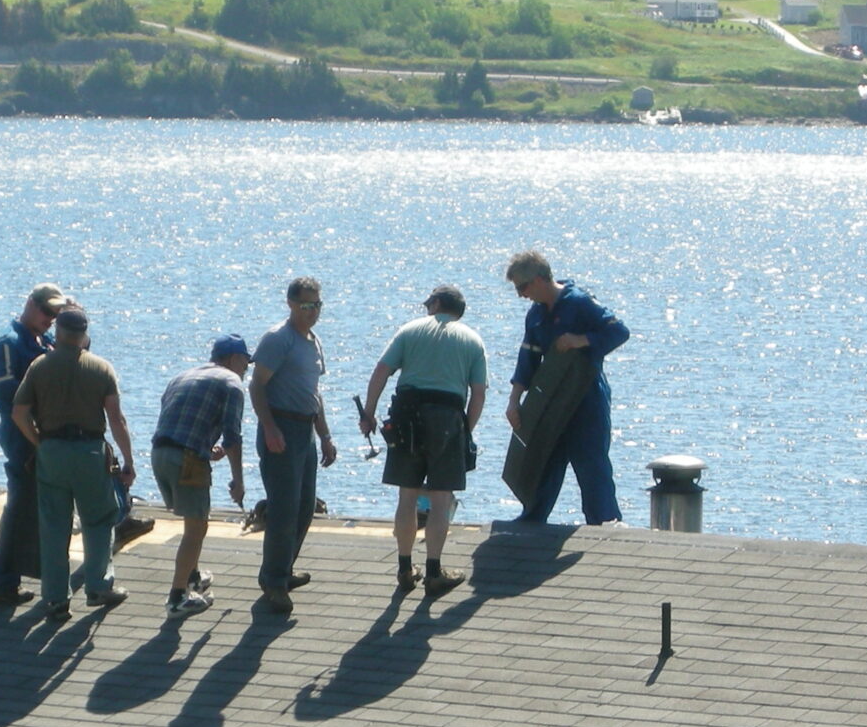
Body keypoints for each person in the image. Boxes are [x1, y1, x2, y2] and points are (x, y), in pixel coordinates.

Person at [10, 305, 136, 622]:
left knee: (54, 527)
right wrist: (128, 460)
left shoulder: (40, 367)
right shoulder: (101, 369)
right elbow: (116, 419)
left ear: (59, 333)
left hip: (52, 451)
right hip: (90, 452)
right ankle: (97, 587)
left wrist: (39, 442)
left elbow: (19, 412)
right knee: (98, 520)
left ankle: (55, 598)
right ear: (84, 335)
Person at [361, 282, 486, 598]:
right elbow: (478, 393)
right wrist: (465, 430)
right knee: (441, 498)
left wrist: (369, 413)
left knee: (407, 495)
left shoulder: (410, 331)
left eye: (428, 302)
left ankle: (404, 568)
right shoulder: (472, 340)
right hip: (448, 416)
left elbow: (381, 372)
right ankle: (433, 571)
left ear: (437, 303)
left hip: (408, 415)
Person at [504, 250, 631, 528]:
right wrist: (514, 401)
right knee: (544, 455)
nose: (520, 294)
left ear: (539, 279)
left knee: (590, 460)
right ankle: (533, 516)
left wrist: (581, 340)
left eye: (522, 287)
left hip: (586, 395)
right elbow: (527, 359)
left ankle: (605, 521)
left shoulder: (579, 302)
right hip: (550, 397)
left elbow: (619, 331)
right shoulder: (535, 315)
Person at [249, 275, 339, 616]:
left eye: (317, 305)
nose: (312, 312)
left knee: (304, 507)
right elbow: (256, 387)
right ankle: (272, 581)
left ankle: (284, 570)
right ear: (291, 304)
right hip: (281, 427)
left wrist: (326, 435)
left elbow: (314, 393)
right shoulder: (278, 339)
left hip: (305, 431)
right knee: (284, 509)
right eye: (306, 305)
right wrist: (269, 427)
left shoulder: (314, 342)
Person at [148, 335, 250, 616]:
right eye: (245, 361)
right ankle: (177, 597)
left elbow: (178, 417)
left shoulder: (184, 375)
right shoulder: (232, 383)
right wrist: (238, 480)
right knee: (196, 529)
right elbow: (233, 437)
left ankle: (192, 576)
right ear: (231, 359)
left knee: (191, 521)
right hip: (188, 459)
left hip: (159, 453)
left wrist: (206, 447)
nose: (246, 369)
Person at [0, 283, 64, 610]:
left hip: (43, 433)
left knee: (35, 505)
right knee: (20, 505)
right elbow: (5, 397)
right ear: (30, 304)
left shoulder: (44, 340)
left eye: (57, 314)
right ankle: (2, 580)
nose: (51, 318)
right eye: (47, 311)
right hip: (21, 434)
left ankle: (32, 573)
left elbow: (76, 353)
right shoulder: (9, 343)